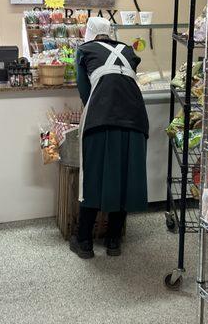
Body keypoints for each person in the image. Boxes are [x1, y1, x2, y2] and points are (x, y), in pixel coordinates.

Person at [70, 17, 149, 259]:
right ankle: (113, 240)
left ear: (89, 33)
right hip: (136, 118)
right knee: (124, 176)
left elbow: (85, 92)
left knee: (93, 176)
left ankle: (84, 241)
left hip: (101, 118)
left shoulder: (83, 51)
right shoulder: (127, 49)